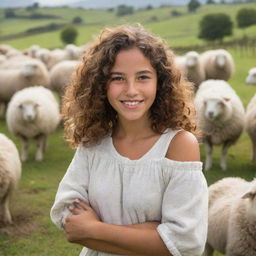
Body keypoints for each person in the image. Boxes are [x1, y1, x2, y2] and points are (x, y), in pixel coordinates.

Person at [50, 24, 208, 256]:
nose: (131, 90)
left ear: (160, 82)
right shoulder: (93, 142)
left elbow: (186, 243)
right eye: (118, 78)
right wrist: (152, 233)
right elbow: (69, 219)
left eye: (143, 77)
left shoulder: (178, 145)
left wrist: (95, 229)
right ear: (101, 85)